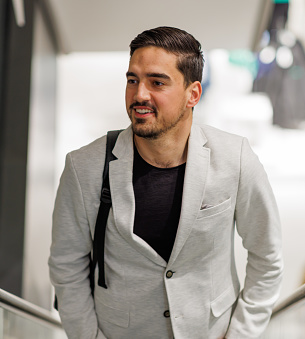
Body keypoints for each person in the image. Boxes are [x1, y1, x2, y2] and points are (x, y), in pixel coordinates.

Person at [49, 26, 284, 339]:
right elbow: (66, 266)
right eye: (133, 80)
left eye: (156, 82)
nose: (139, 94)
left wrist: (241, 334)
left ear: (193, 94)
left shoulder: (235, 158)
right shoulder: (84, 167)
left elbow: (267, 257)